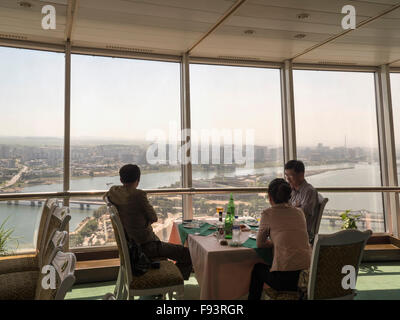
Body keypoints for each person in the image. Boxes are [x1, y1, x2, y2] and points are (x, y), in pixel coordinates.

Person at [104, 164, 192, 280]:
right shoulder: (139, 195)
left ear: (121, 179)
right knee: (188, 254)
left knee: (170, 250)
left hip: (131, 246)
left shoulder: (113, 191)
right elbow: (154, 218)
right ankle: (173, 280)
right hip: (146, 246)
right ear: (138, 180)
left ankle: (166, 282)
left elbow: (105, 196)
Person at [248, 178, 311, 300]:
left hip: (285, 281)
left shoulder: (268, 213)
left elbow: (260, 243)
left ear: (270, 197)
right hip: (306, 276)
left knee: (257, 269)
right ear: (289, 196)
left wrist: (273, 243)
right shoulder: (299, 212)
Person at [284, 160, 319, 240]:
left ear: (301, 175)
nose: (288, 179)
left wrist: (290, 210)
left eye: (291, 175)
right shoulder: (291, 190)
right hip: (290, 230)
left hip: (301, 235)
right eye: (286, 175)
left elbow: (302, 217)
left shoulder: (309, 191)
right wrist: (295, 209)